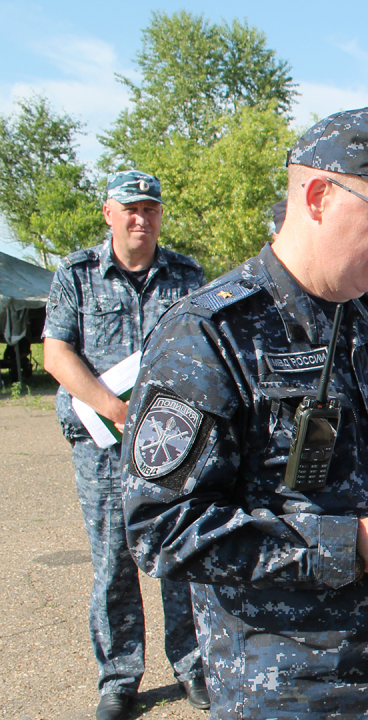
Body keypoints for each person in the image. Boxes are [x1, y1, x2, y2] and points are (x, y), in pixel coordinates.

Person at [120, 107, 368, 719]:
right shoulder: (210, 335)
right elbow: (163, 528)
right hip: (297, 693)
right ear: (316, 196)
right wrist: (350, 544)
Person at [42, 170, 207, 720]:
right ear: (109, 213)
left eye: (151, 209)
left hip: (171, 443)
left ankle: (192, 666)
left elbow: (205, 349)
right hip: (103, 445)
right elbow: (57, 354)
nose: (141, 218)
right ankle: (118, 677)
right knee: (113, 562)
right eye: (130, 208)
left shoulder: (187, 275)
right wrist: (114, 409)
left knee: (178, 551)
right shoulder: (76, 274)